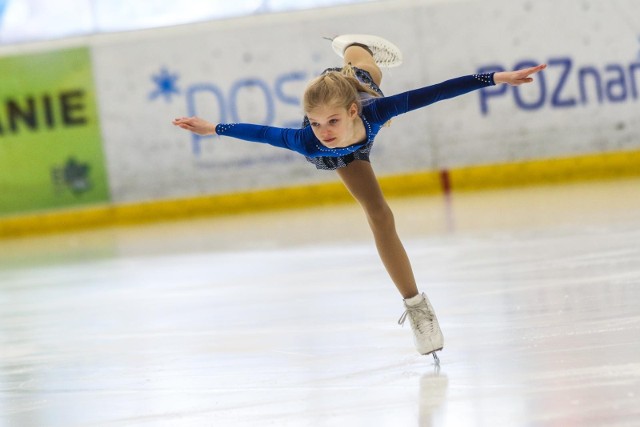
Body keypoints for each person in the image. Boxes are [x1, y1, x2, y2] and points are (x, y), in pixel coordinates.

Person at [173, 34, 546, 362]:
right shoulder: (310, 141)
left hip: (361, 103)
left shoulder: (372, 110)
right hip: (345, 158)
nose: (323, 132)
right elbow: (258, 132)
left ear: (351, 112)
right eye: (316, 123)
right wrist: (214, 128)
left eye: (332, 122)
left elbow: (436, 92)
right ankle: (418, 309)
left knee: (367, 72)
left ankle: (354, 45)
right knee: (380, 215)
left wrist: (495, 78)